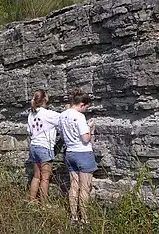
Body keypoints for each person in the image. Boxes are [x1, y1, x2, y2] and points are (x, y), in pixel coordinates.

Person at [59, 88, 97, 223]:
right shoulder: (79, 116)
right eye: (86, 107)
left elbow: (63, 136)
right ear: (82, 104)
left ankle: (74, 217)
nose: (85, 110)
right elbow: (85, 139)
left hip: (70, 153)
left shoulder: (62, 115)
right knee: (85, 188)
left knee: (74, 186)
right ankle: (85, 219)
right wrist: (90, 128)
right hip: (83, 153)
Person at [27, 89, 60, 203]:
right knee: (45, 178)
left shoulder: (31, 114)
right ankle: (44, 204)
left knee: (36, 176)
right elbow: (64, 119)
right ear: (45, 99)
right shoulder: (49, 114)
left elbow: (29, 131)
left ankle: (32, 201)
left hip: (34, 146)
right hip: (44, 147)